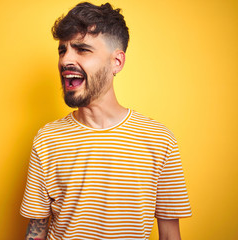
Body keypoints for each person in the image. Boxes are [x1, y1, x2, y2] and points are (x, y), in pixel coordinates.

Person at [20, 2, 192, 240]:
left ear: (117, 62)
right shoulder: (47, 139)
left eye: (82, 49)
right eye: (62, 50)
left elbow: (170, 233)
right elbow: (35, 229)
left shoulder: (159, 140)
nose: (65, 60)